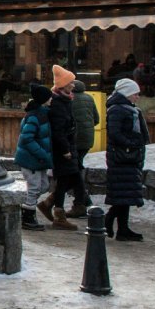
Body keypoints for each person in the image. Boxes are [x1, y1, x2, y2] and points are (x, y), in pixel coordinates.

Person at [39, 65, 85, 231]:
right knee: (69, 179)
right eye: (70, 82)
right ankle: (58, 214)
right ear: (63, 85)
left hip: (68, 147)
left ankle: (49, 203)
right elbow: (59, 131)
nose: (73, 85)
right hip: (62, 150)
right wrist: (65, 149)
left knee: (71, 178)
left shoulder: (64, 100)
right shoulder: (58, 103)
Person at [104, 78, 149, 241]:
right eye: (135, 94)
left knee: (126, 193)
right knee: (124, 193)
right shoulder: (118, 109)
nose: (137, 97)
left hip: (128, 156)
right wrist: (132, 143)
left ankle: (122, 228)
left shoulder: (129, 109)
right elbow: (115, 133)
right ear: (127, 94)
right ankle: (108, 222)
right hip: (122, 157)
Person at [13, 84, 53, 232]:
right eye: (49, 97)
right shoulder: (35, 116)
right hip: (31, 158)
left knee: (43, 186)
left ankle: (25, 207)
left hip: (37, 158)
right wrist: (42, 153)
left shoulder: (42, 114)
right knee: (35, 187)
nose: (51, 100)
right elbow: (26, 139)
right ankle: (27, 216)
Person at [61, 80, 100, 218]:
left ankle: (82, 203)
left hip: (74, 140)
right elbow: (96, 119)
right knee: (75, 169)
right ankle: (83, 202)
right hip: (88, 139)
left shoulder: (70, 100)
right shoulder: (89, 98)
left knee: (74, 171)